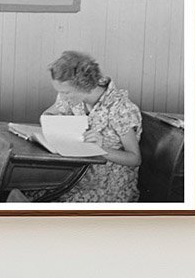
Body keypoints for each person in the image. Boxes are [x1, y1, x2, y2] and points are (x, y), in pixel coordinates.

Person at [34, 50, 143, 202]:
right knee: (28, 194)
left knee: (46, 203)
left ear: (85, 86)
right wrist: (53, 122)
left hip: (107, 187)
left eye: (66, 93)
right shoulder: (72, 97)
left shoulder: (121, 109)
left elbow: (135, 158)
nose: (62, 97)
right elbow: (49, 114)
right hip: (75, 175)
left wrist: (99, 149)